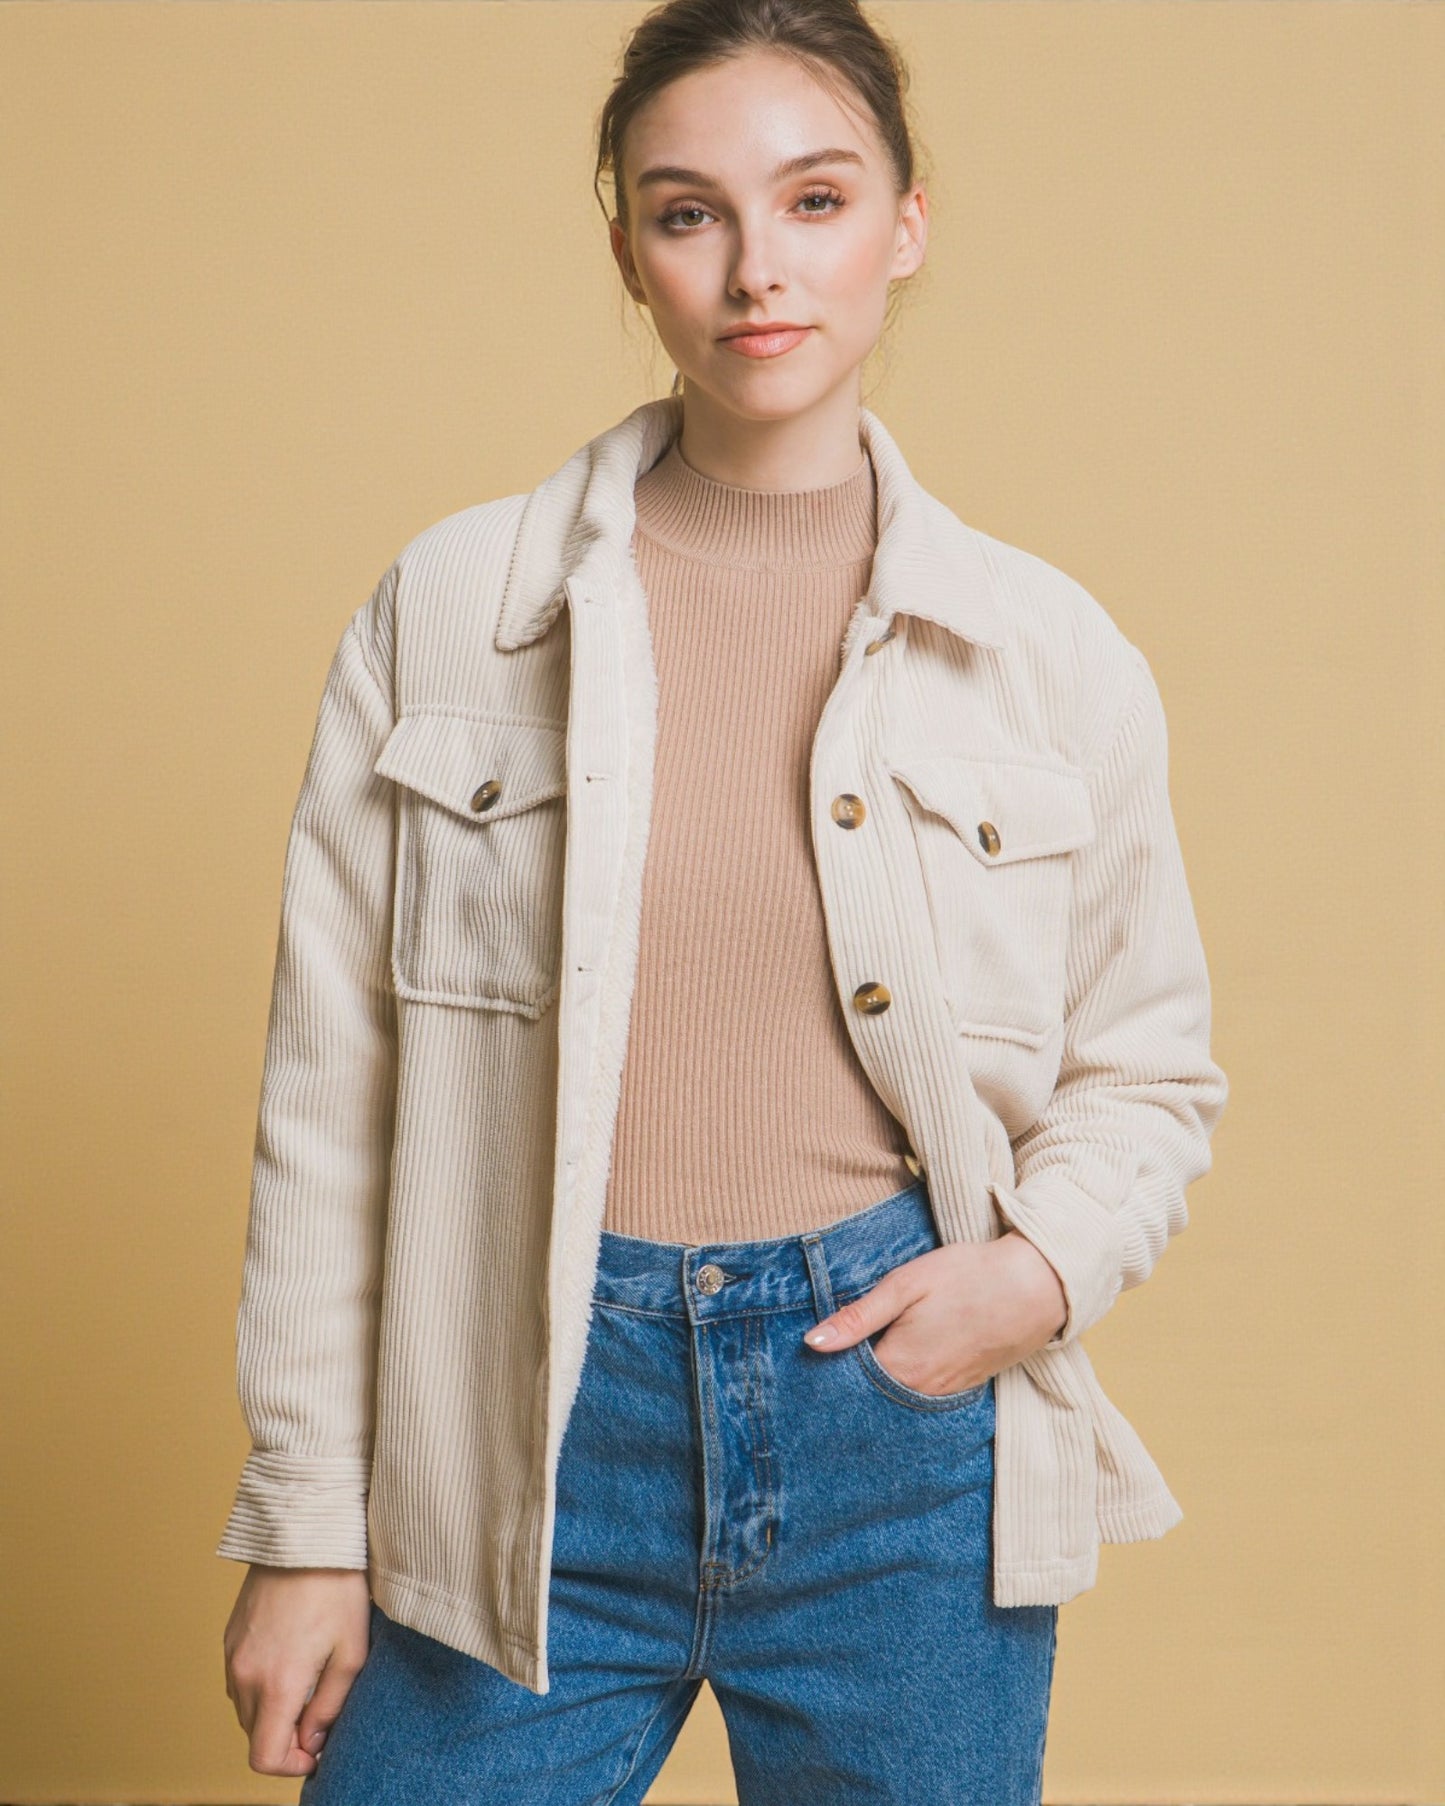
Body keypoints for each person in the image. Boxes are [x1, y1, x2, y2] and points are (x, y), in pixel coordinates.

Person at [218, 1, 1228, 1798]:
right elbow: (333, 1104)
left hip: (896, 1441)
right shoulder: (451, 608)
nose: (758, 268)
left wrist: (1036, 1271)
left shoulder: (1048, 653)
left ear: (904, 224)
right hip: (518, 1429)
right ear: (626, 245)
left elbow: (1146, 1069)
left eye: (816, 200)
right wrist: (308, 1523)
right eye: (689, 213)